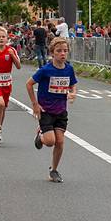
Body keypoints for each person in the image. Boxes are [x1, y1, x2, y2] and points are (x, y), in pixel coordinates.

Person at [28, 37, 78, 183]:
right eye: (59, 51)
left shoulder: (69, 69)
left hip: (61, 111)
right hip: (46, 110)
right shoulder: (45, 70)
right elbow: (29, 84)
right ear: (52, 53)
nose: (63, 53)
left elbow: (73, 84)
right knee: (50, 141)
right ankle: (41, 136)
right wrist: (35, 104)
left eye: (65, 51)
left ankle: (53, 170)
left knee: (60, 142)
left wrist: (73, 93)